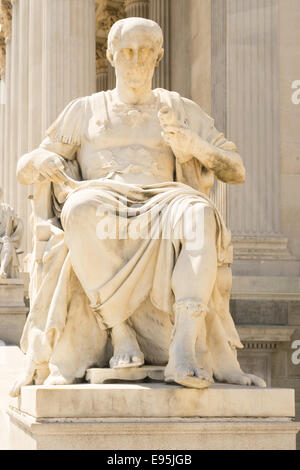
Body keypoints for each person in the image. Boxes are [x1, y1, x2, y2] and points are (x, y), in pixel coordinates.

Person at [11, 17, 265, 396]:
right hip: (102, 202)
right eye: (127, 51)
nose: (136, 60)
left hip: (167, 202)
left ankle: (184, 343)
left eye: (146, 52)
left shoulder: (177, 108)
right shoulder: (85, 111)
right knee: (79, 208)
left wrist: (193, 145)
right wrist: (39, 162)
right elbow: (25, 168)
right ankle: (120, 329)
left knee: (198, 214)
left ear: (159, 56)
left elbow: (236, 170)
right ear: (111, 55)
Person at [0, 188, 23, 279]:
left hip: (5, 239)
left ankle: (2, 269)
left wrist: (15, 221)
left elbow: (19, 224)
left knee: (7, 241)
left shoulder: (7, 209)